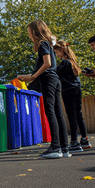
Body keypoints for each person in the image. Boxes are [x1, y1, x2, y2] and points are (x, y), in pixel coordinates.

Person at [18, 20, 70, 159]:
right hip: (55, 80)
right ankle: (64, 148)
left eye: (29, 32)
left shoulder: (42, 44)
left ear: (35, 31)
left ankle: (55, 147)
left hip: (48, 80)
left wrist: (32, 77)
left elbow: (47, 63)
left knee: (50, 112)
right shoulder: (48, 44)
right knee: (58, 113)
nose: (29, 36)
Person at [53, 40, 91, 152]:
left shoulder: (64, 62)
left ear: (61, 50)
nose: (56, 55)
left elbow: (55, 72)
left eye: (56, 52)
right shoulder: (72, 62)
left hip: (68, 90)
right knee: (79, 114)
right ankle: (84, 140)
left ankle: (74, 142)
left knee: (72, 115)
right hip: (76, 88)